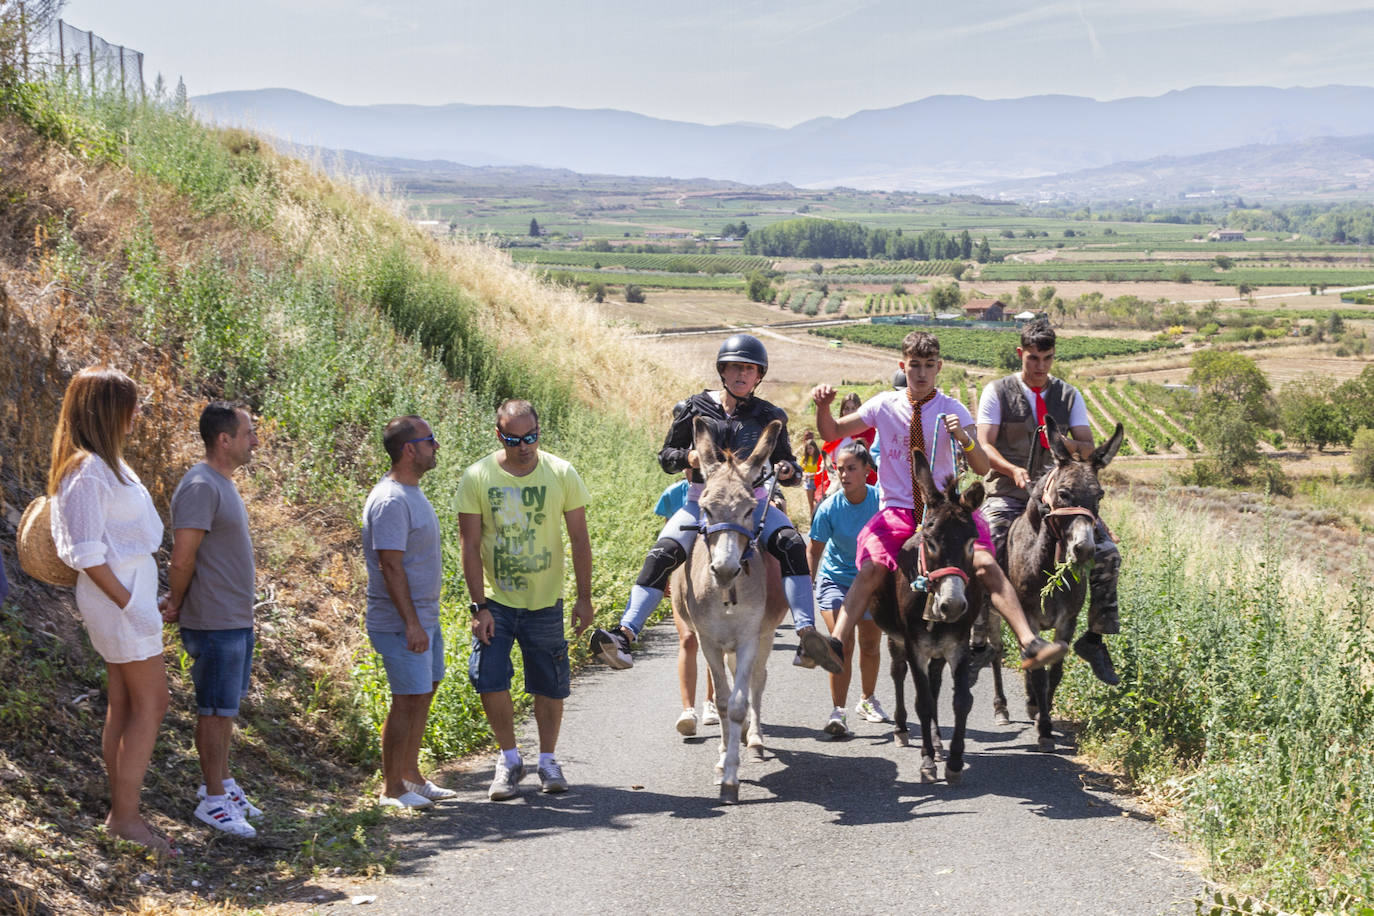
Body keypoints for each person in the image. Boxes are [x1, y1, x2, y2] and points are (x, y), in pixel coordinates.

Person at [812, 331, 1068, 672]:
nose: (921, 373)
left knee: (987, 565)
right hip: (896, 510)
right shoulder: (883, 404)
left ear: (939, 367)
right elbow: (831, 433)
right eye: (914, 365)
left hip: (946, 510)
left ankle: (1029, 642)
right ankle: (835, 644)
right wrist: (824, 406)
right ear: (903, 366)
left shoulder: (952, 408)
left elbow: (981, 467)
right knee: (872, 568)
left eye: (928, 366)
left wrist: (963, 438)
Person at [588, 333, 843, 674]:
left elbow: (793, 468)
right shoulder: (693, 408)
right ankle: (624, 634)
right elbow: (666, 457)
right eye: (736, 367)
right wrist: (689, 456)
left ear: (759, 376)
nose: (742, 374)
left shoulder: (770, 414)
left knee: (791, 543)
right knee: (663, 551)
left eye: (750, 370)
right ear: (723, 371)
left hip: (754, 505)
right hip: (701, 502)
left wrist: (787, 469)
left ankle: (807, 635)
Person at [47, 367, 172, 856]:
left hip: (129, 595)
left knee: (127, 702)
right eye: (131, 405)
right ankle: (125, 818)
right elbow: (86, 552)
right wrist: (129, 605)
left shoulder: (107, 464)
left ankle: (122, 812)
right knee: (152, 702)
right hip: (116, 599)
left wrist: (141, 598)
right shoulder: (87, 471)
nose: (138, 414)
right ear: (105, 410)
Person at [457, 400, 593, 800]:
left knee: (549, 684)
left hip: (545, 600)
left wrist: (584, 598)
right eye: (514, 439)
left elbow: (580, 540)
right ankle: (509, 759)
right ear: (500, 435)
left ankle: (548, 761)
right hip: (496, 602)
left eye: (531, 437)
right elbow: (469, 546)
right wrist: (477, 605)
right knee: (488, 677)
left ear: (539, 431)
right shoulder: (477, 476)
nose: (524, 446)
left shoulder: (561, 473)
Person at [975, 320, 1123, 685]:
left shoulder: (1069, 395)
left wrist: (1062, 442)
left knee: (1107, 552)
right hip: (1009, 495)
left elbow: (1086, 446)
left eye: (1047, 359)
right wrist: (1012, 470)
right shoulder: (997, 392)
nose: (1040, 366)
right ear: (1020, 354)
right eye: (1033, 358)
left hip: (1063, 500)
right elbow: (985, 445)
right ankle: (979, 638)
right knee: (985, 551)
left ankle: (1095, 637)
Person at [162, 402, 263, 839]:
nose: (255, 440)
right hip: (214, 619)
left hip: (234, 617)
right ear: (224, 439)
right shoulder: (201, 485)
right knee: (214, 711)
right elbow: (182, 558)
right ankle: (213, 800)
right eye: (249, 432)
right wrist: (176, 602)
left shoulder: (222, 483)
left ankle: (222, 783)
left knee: (226, 710)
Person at [362, 415, 455, 809]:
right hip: (401, 623)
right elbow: (390, 565)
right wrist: (412, 623)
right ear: (409, 449)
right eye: (429, 440)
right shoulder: (390, 500)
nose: (436, 446)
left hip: (423, 619)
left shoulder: (411, 493)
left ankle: (411, 776)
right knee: (407, 698)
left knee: (423, 693)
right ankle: (391, 789)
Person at [807, 440, 887, 736]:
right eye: (839, 469)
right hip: (834, 580)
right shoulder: (829, 508)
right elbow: (814, 551)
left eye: (851, 468)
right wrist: (806, 589)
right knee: (842, 644)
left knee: (870, 644)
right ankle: (838, 711)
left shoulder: (881, 502)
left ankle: (867, 700)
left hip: (870, 582)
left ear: (868, 470)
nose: (844, 474)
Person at [656, 476, 718, 736]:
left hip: (710, 578)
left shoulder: (719, 487)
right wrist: (662, 576)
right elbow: (666, 537)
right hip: (682, 577)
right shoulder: (673, 493)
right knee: (688, 640)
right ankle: (688, 710)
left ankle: (711, 702)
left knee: (713, 643)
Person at [813, 393, 874, 510]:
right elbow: (825, 460)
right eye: (846, 409)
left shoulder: (869, 433)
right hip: (835, 479)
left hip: (861, 481)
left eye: (853, 408)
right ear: (842, 411)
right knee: (819, 508)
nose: (850, 412)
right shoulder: (834, 433)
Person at [799, 434, 822, 521]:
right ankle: (812, 522)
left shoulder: (819, 457)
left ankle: (818, 519)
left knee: (817, 502)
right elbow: (800, 470)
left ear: (815, 448)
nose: (809, 450)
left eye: (810, 448)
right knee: (811, 504)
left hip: (817, 482)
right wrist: (806, 474)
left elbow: (821, 470)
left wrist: (813, 474)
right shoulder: (805, 458)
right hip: (808, 482)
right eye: (807, 448)